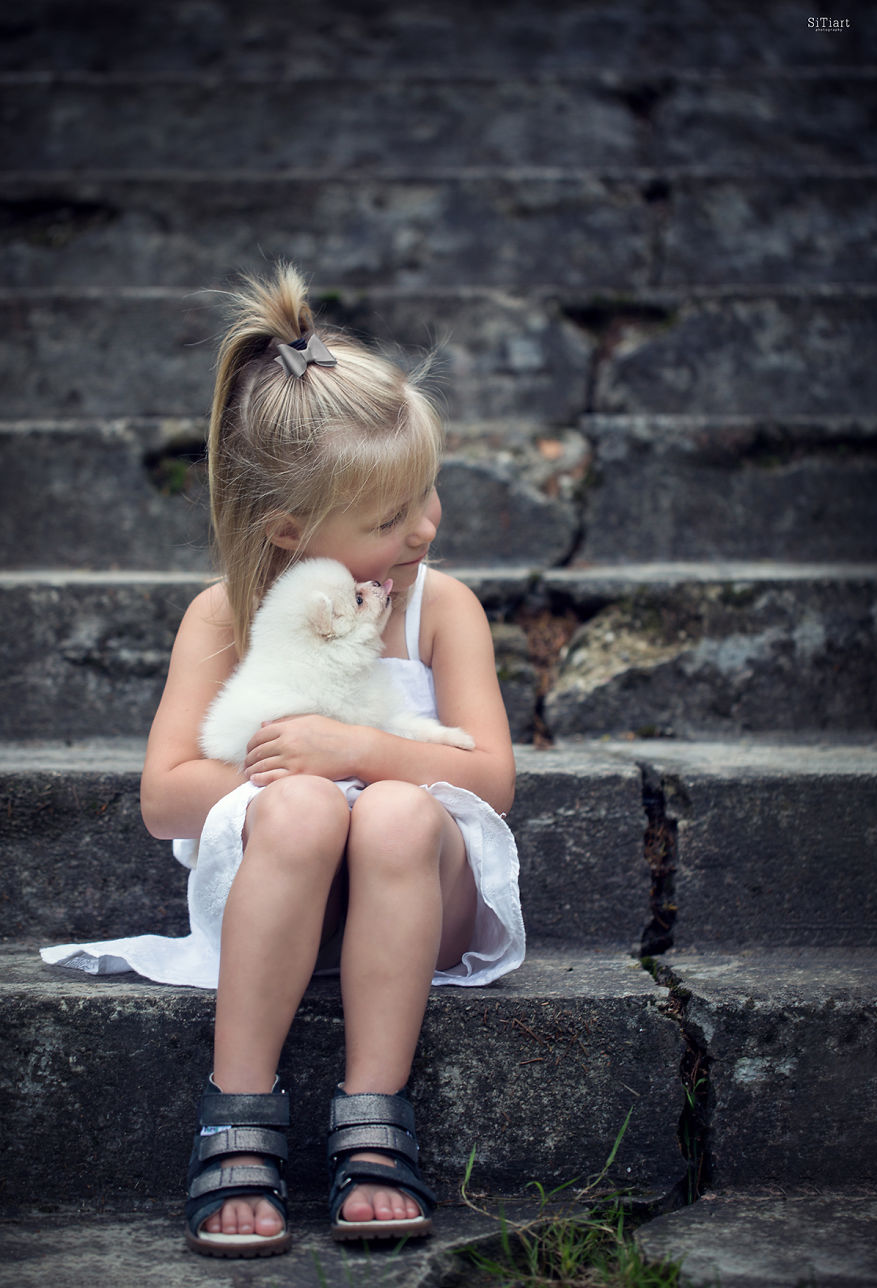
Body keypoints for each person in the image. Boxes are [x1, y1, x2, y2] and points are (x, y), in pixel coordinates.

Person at [42, 263, 525, 1258]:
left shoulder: (443, 609)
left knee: (395, 809)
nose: (423, 528)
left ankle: (374, 1112)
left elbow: (492, 782)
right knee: (305, 808)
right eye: (388, 520)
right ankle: (238, 1107)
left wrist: (362, 753)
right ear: (288, 530)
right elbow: (167, 798)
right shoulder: (223, 617)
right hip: (279, 885)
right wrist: (301, 779)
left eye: (426, 494)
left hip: (418, 895)